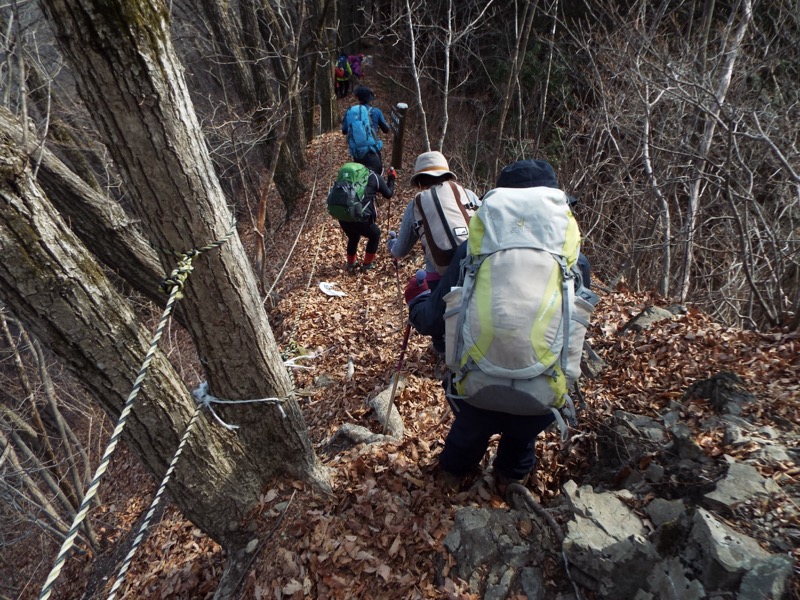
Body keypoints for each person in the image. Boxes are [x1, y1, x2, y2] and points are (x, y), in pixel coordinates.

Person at [405, 159, 593, 493]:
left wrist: (416, 298)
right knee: (522, 435)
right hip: (543, 394)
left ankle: (451, 482)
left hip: (475, 388)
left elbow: (431, 320)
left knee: (467, 435)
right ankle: (512, 481)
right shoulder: (573, 261)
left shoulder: (471, 252)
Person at [387, 150, 481, 356]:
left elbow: (401, 249)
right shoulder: (467, 194)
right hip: (476, 265)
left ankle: (442, 348)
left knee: (442, 313)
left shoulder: (416, 205)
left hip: (439, 274)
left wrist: (391, 245)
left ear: (420, 182)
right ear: (448, 175)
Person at [337, 165, 397, 273]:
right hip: (361, 218)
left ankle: (351, 264)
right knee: (375, 235)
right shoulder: (374, 177)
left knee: (353, 237)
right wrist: (391, 179)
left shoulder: (349, 175)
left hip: (343, 216)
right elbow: (388, 194)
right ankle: (367, 265)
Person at [341, 86, 390, 174]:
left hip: (357, 154)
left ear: (358, 98)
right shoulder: (376, 111)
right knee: (376, 180)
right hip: (372, 152)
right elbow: (386, 130)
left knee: (360, 181)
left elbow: (344, 131)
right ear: (369, 99)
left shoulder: (351, 112)